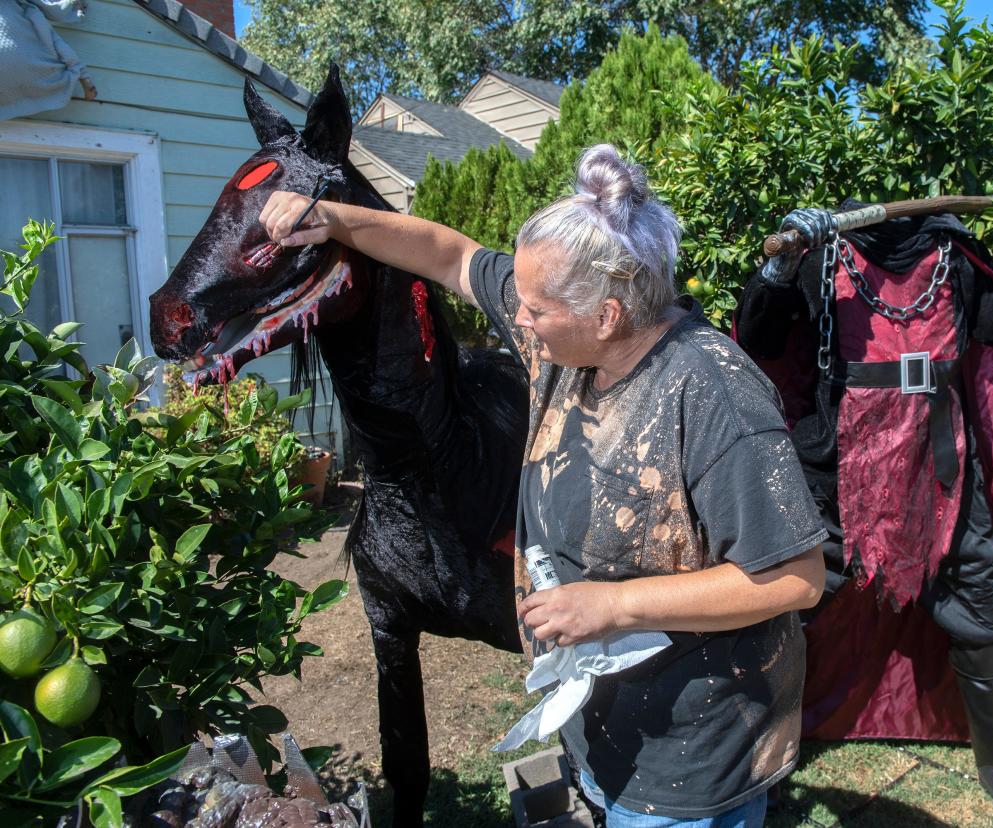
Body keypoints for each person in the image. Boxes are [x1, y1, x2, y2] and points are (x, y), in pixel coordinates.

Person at [261, 144, 829, 826]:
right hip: (608, 721)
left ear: (608, 314)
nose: (516, 321)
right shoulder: (568, 340)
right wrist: (331, 218)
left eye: (533, 309)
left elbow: (796, 577)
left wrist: (613, 608)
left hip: (694, 748)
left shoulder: (712, 395)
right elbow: (449, 255)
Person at [736, 204, 993, 828]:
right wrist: (779, 265)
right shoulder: (823, 259)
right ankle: (763, 765)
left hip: (943, 466)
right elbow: (764, 341)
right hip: (837, 471)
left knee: (978, 598)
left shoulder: (953, 259)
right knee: (786, 609)